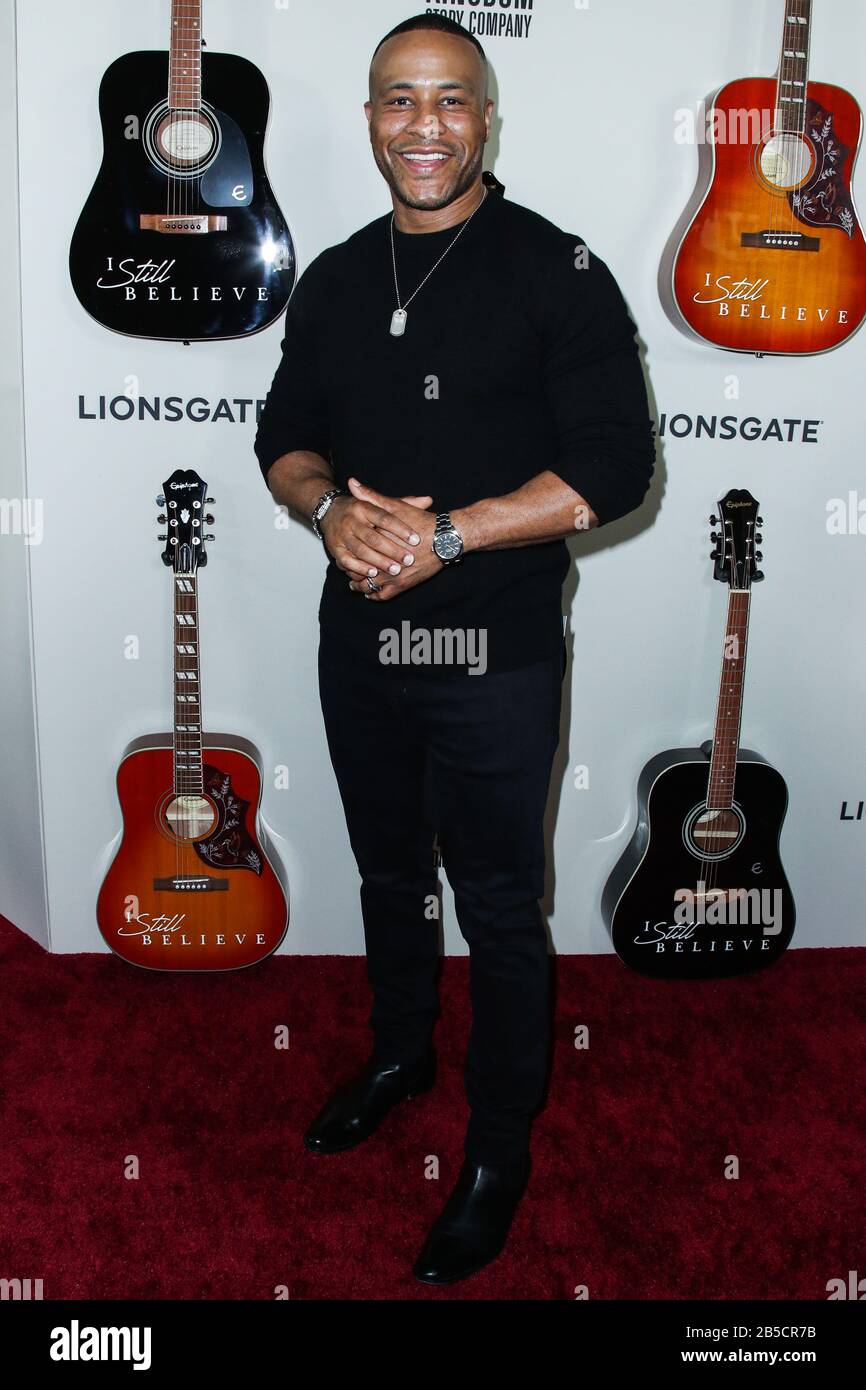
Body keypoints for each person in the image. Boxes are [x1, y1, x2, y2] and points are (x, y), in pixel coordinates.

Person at [255, 11, 655, 1285]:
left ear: (486, 118)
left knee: (496, 904)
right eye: (395, 100)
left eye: (447, 99)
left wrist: (447, 539)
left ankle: (495, 1148)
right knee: (385, 871)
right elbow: (284, 437)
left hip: (495, 654)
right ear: (371, 119)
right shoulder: (329, 275)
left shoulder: (558, 269)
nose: (421, 124)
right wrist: (329, 514)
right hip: (358, 645)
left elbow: (612, 467)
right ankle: (396, 1053)